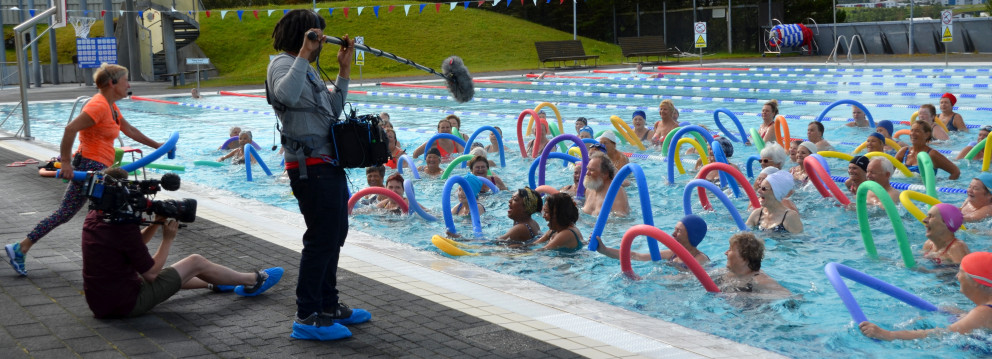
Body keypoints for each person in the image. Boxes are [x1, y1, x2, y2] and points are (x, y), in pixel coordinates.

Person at [267, 9, 369, 340]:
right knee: (321, 238)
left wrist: (343, 70)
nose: (322, 41)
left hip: (328, 164)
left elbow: (332, 111)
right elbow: (284, 95)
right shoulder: (282, 64)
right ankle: (307, 315)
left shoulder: (307, 70)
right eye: (317, 35)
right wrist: (303, 55)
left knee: (334, 234)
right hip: (309, 168)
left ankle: (327, 304)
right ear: (303, 35)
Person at [6, 63, 164, 277]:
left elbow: (130, 130)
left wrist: (159, 147)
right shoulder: (98, 105)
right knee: (109, 210)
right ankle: (123, 259)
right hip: (91, 167)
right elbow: (70, 128)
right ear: (112, 83)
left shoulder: (110, 106)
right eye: (126, 80)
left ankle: (22, 247)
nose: (129, 84)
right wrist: (67, 163)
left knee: (70, 213)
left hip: (99, 167)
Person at [82, 192, 283, 318]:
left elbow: (131, 245)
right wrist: (167, 238)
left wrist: (155, 223)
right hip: (126, 304)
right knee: (195, 261)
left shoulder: (95, 218)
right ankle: (254, 281)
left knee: (177, 272)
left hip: (101, 303)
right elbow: (151, 274)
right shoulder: (124, 227)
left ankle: (215, 283)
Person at [861, 252, 992, 341]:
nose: (957, 276)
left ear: (975, 281)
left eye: (961, 272)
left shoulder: (983, 312)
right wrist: (962, 314)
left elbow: (942, 334)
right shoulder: (985, 310)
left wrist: (889, 334)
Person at [596, 215, 710, 267]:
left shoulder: (700, 259)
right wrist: (604, 250)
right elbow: (637, 256)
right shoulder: (672, 253)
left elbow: (687, 279)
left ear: (691, 235)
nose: (673, 234)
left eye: (679, 231)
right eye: (674, 230)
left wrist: (655, 279)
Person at [714, 232, 790, 296]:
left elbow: (791, 299)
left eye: (730, 250)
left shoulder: (761, 281)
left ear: (744, 257)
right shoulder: (722, 273)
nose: (726, 253)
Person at [894, 121, 960, 180]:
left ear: (927, 134)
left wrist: (944, 187)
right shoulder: (904, 152)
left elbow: (955, 172)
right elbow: (889, 172)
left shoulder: (932, 154)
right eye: (912, 130)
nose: (912, 133)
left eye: (917, 131)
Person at [582, 152, 630, 217]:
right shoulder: (589, 190)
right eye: (588, 169)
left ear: (605, 174)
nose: (587, 173)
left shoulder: (616, 192)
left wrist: (593, 224)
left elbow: (622, 221)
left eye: (592, 170)